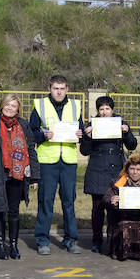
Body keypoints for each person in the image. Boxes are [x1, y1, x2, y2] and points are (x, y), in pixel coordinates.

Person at [30, 75, 85, 255]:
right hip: (47, 161)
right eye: (55, 88)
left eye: (62, 88)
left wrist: (80, 133)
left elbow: (82, 130)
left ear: (67, 89)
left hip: (68, 160)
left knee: (69, 201)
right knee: (46, 201)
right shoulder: (40, 105)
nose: (59, 91)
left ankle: (71, 240)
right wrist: (42, 135)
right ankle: (42, 240)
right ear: (50, 88)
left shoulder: (76, 106)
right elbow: (31, 132)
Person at [0, 94, 40, 260]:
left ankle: (13, 245)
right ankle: (0, 246)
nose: (10, 108)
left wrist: (35, 176)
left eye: (13, 106)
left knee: (14, 212)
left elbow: (31, 149)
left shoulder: (23, 125)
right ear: (2, 106)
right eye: (7, 105)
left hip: (17, 174)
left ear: (18, 109)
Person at [81, 95, 138, 254]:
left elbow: (132, 144)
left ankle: (115, 240)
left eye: (107, 108)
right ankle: (96, 241)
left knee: (116, 207)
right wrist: (87, 136)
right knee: (97, 208)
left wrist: (126, 133)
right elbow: (84, 151)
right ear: (97, 111)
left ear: (112, 110)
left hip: (116, 170)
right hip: (97, 169)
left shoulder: (121, 123)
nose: (104, 112)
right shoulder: (92, 125)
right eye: (101, 109)